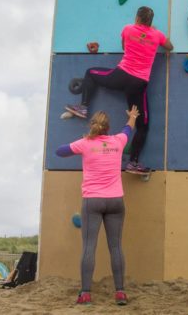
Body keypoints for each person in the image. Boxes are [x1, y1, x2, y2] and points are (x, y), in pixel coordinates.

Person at [66, 6, 173, 173]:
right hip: (138, 84)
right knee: (142, 125)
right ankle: (134, 162)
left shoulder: (128, 29)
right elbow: (170, 46)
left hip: (121, 76)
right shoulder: (156, 35)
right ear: (150, 22)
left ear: (137, 18)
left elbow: (124, 47)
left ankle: (83, 106)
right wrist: (155, 32)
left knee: (91, 73)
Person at [56, 105, 139, 306]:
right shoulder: (118, 141)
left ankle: (85, 294)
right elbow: (128, 129)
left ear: (93, 125)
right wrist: (132, 117)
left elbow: (59, 152)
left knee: (89, 247)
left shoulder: (85, 143)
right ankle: (120, 293)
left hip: (92, 201)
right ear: (108, 127)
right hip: (115, 201)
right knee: (116, 247)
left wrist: (78, 145)